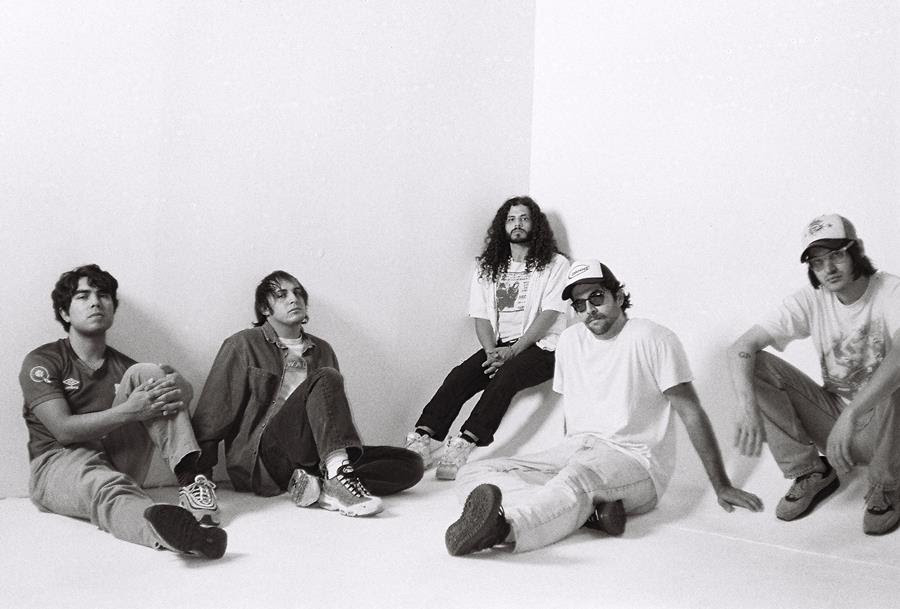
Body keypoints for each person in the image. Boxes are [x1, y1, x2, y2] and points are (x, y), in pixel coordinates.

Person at [444, 259, 762, 556]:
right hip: (578, 449)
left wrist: (721, 485)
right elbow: (572, 409)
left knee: (575, 479)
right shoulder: (569, 341)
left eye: (596, 297)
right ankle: (588, 513)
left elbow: (690, 411)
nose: (589, 310)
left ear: (619, 297)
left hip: (636, 460)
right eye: (579, 305)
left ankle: (504, 529)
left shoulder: (654, 338)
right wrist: (565, 455)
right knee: (477, 470)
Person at [18, 264, 226, 559]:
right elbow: (63, 430)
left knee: (150, 374)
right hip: (58, 466)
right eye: (82, 296)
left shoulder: (125, 367)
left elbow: (161, 397)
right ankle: (183, 536)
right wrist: (130, 411)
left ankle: (190, 482)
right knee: (106, 485)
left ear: (112, 308)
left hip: (115, 459)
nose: (95, 302)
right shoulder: (44, 360)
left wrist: (183, 390)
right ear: (64, 313)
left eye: (103, 295)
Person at [184, 270, 424, 518]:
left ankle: (319, 483)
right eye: (281, 295)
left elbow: (331, 414)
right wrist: (198, 476)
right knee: (326, 377)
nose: (293, 299)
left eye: (298, 293)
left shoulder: (323, 350)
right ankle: (336, 479)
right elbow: (213, 414)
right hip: (266, 457)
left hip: (312, 456)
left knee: (410, 464)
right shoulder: (243, 344)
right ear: (265, 309)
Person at [729, 214, 900, 535]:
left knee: (895, 377)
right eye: (818, 262)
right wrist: (747, 406)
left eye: (836, 256)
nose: (828, 268)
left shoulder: (891, 291)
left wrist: (851, 414)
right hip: (837, 428)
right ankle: (810, 471)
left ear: (856, 251)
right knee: (756, 364)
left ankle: (887, 484)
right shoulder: (811, 300)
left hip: (889, 426)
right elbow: (741, 347)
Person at [405, 196, 570, 480]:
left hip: (544, 347)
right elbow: (480, 316)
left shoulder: (556, 264)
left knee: (506, 375)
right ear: (502, 226)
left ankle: (464, 443)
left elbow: (550, 314)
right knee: (460, 376)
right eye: (511, 219)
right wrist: (492, 351)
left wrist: (513, 351)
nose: (517, 224)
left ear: (536, 224)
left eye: (524, 218)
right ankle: (422, 440)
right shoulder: (488, 266)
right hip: (499, 347)